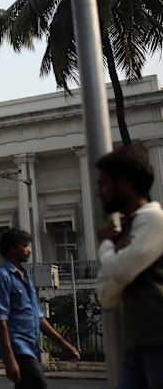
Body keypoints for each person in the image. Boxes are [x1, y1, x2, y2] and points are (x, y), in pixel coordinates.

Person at [95, 145, 163, 389]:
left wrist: (106, 246)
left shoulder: (154, 220)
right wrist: (116, 255)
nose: (99, 193)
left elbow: (120, 272)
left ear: (122, 183)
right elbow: (107, 295)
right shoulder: (128, 229)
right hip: (137, 346)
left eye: (103, 184)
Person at [0, 228, 80, 388]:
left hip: (31, 346)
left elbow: (38, 317)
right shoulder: (2, 277)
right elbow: (0, 320)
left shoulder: (26, 277)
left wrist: (62, 343)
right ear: (12, 248)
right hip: (18, 347)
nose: (29, 250)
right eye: (24, 246)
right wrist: (9, 359)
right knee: (38, 384)